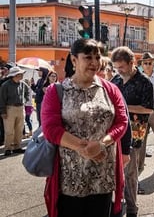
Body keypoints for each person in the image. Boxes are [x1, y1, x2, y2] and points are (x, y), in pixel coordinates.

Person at [41, 38, 129, 217]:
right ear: (74, 60)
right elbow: (51, 129)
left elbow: (122, 121)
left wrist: (101, 144)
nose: (95, 63)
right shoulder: (56, 91)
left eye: (97, 58)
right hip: (70, 178)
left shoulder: (110, 90)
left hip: (103, 175)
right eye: (88, 57)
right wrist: (84, 147)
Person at [111, 46, 154, 217]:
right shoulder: (115, 80)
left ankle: (131, 209)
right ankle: (117, 204)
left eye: (121, 67)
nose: (119, 70)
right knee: (114, 172)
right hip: (114, 133)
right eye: (116, 67)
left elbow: (149, 109)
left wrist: (123, 109)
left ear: (132, 63)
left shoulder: (144, 82)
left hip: (135, 133)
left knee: (130, 174)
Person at [0, 66, 30, 156]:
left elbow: (28, 92)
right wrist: (3, 111)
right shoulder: (5, 85)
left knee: (19, 129)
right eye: (20, 74)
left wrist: (25, 100)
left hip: (21, 108)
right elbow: (1, 99)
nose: (22, 76)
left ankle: (17, 147)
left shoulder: (23, 84)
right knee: (9, 130)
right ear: (15, 75)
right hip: (10, 108)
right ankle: (8, 148)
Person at [0, 63, 13, 146]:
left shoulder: (9, 80)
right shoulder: (3, 79)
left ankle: (5, 140)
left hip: (7, 105)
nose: (3, 71)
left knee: (6, 124)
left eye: (5, 69)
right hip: (2, 104)